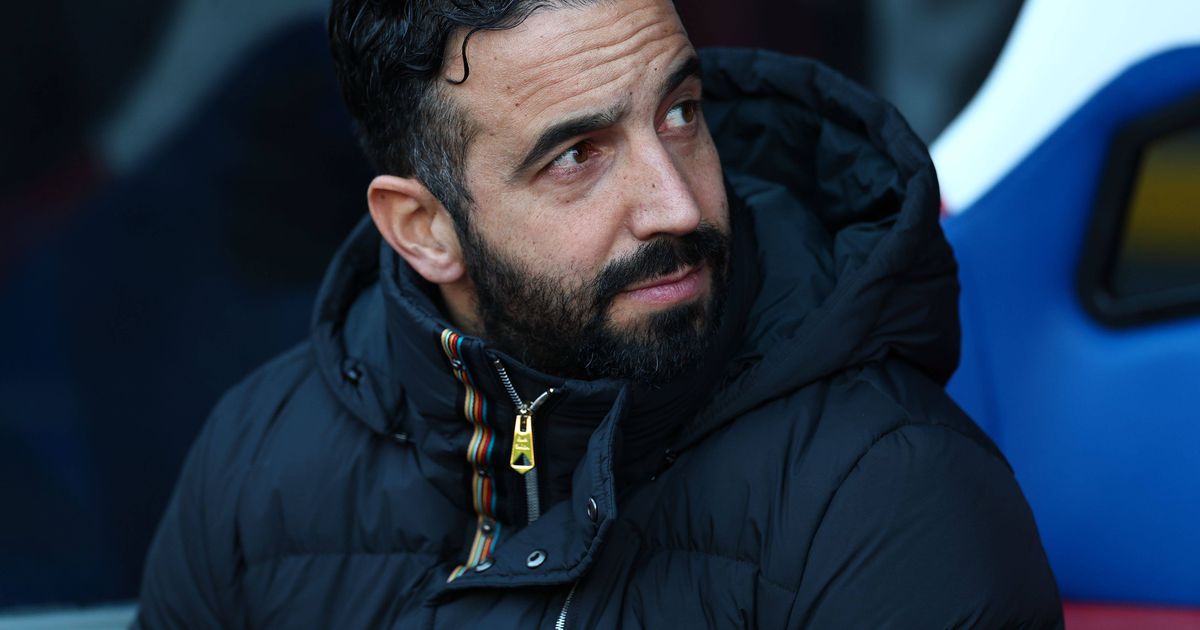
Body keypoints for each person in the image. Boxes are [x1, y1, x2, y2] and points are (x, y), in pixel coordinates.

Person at [135, 0, 1064, 626]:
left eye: (680, 113)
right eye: (577, 156)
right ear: (425, 230)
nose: (678, 206)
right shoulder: (254, 465)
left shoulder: (887, 495)